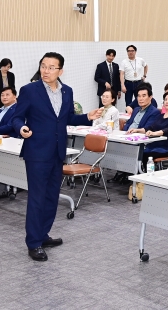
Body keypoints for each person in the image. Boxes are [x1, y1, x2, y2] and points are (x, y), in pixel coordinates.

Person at [10, 53, 101, 261]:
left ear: (60, 71)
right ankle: (33, 243)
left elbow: (66, 118)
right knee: (36, 197)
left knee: (51, 197)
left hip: (58, 152)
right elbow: (16, 117)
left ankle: (43, 235)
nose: (46, 71)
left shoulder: (67, 92)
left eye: (51, 67)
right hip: (36, 152)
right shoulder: (29, 91)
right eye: (43, 66)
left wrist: (87, 117)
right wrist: (21, 127)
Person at [138, 91, 168, 164]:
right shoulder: (161, 116)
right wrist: (137, 130)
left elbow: (166, 130)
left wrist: (153, 133)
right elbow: (151, 127)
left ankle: (144, 173)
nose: (167, 102)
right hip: (156, 144)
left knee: (144, 154)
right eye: (165, 99)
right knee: (137, 152)